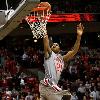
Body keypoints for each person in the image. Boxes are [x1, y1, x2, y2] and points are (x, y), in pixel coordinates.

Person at [39, 22, 84, 100]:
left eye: (56, 45)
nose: (54, 45)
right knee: (66, 96)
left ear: (59, 49)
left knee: (67, 95)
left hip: (51, 87)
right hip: (47, 86)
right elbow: (46, 41)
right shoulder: (49, 54)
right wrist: (43, 28)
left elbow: (74, 51)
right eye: (53, 45)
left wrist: (79, 36)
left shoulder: (62, 59)